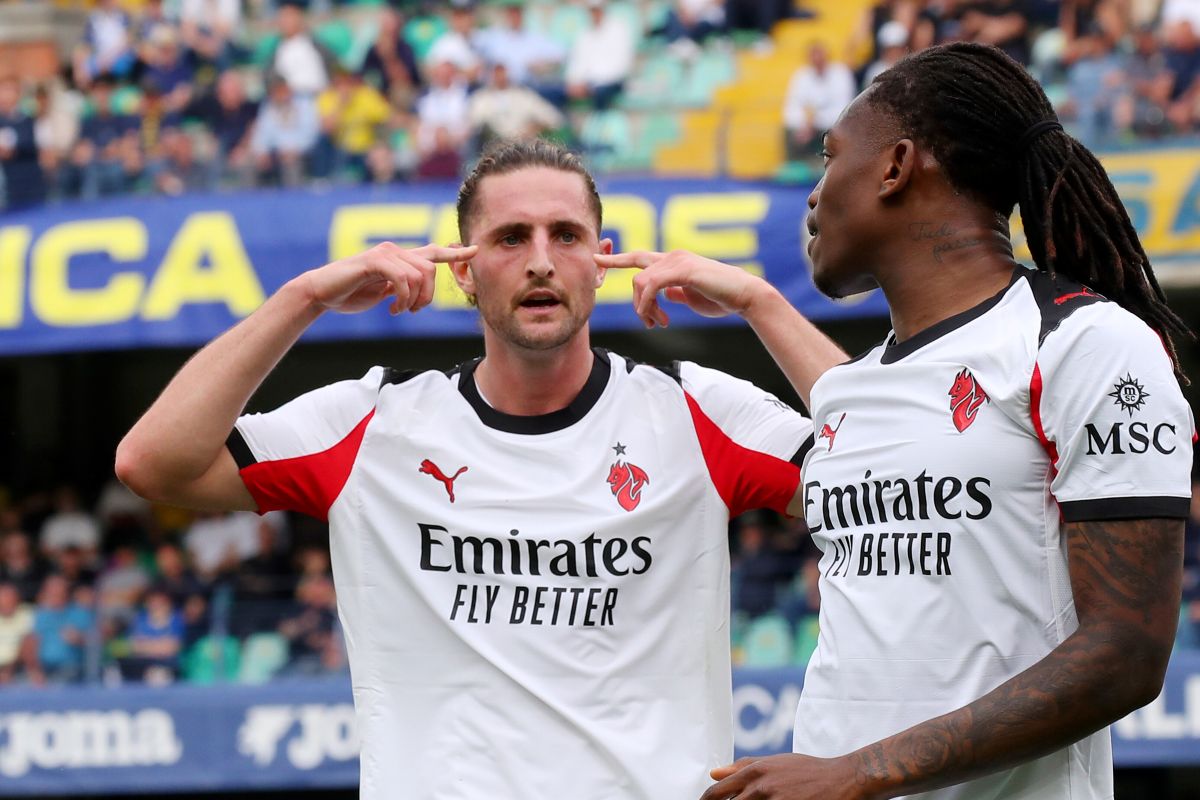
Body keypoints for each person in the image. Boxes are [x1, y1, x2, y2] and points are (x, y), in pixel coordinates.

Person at [115, 138, 845, 798]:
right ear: (463, 270)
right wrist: (303, 298)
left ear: (601, 260)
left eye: (566, 235)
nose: (540, 260)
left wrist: (762, 303)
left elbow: (882, 475)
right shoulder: (371, 421)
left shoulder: (695, 410)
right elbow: (153, 463)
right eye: (510, 237)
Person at [616, 42, 1193, 799]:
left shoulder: (1084, 344)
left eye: (829, 158)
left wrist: (858, 773)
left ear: (895, 166)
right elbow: (871, 416)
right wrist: (756, 299)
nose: (814, 196)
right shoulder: (863, 383)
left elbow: (1127, 653)